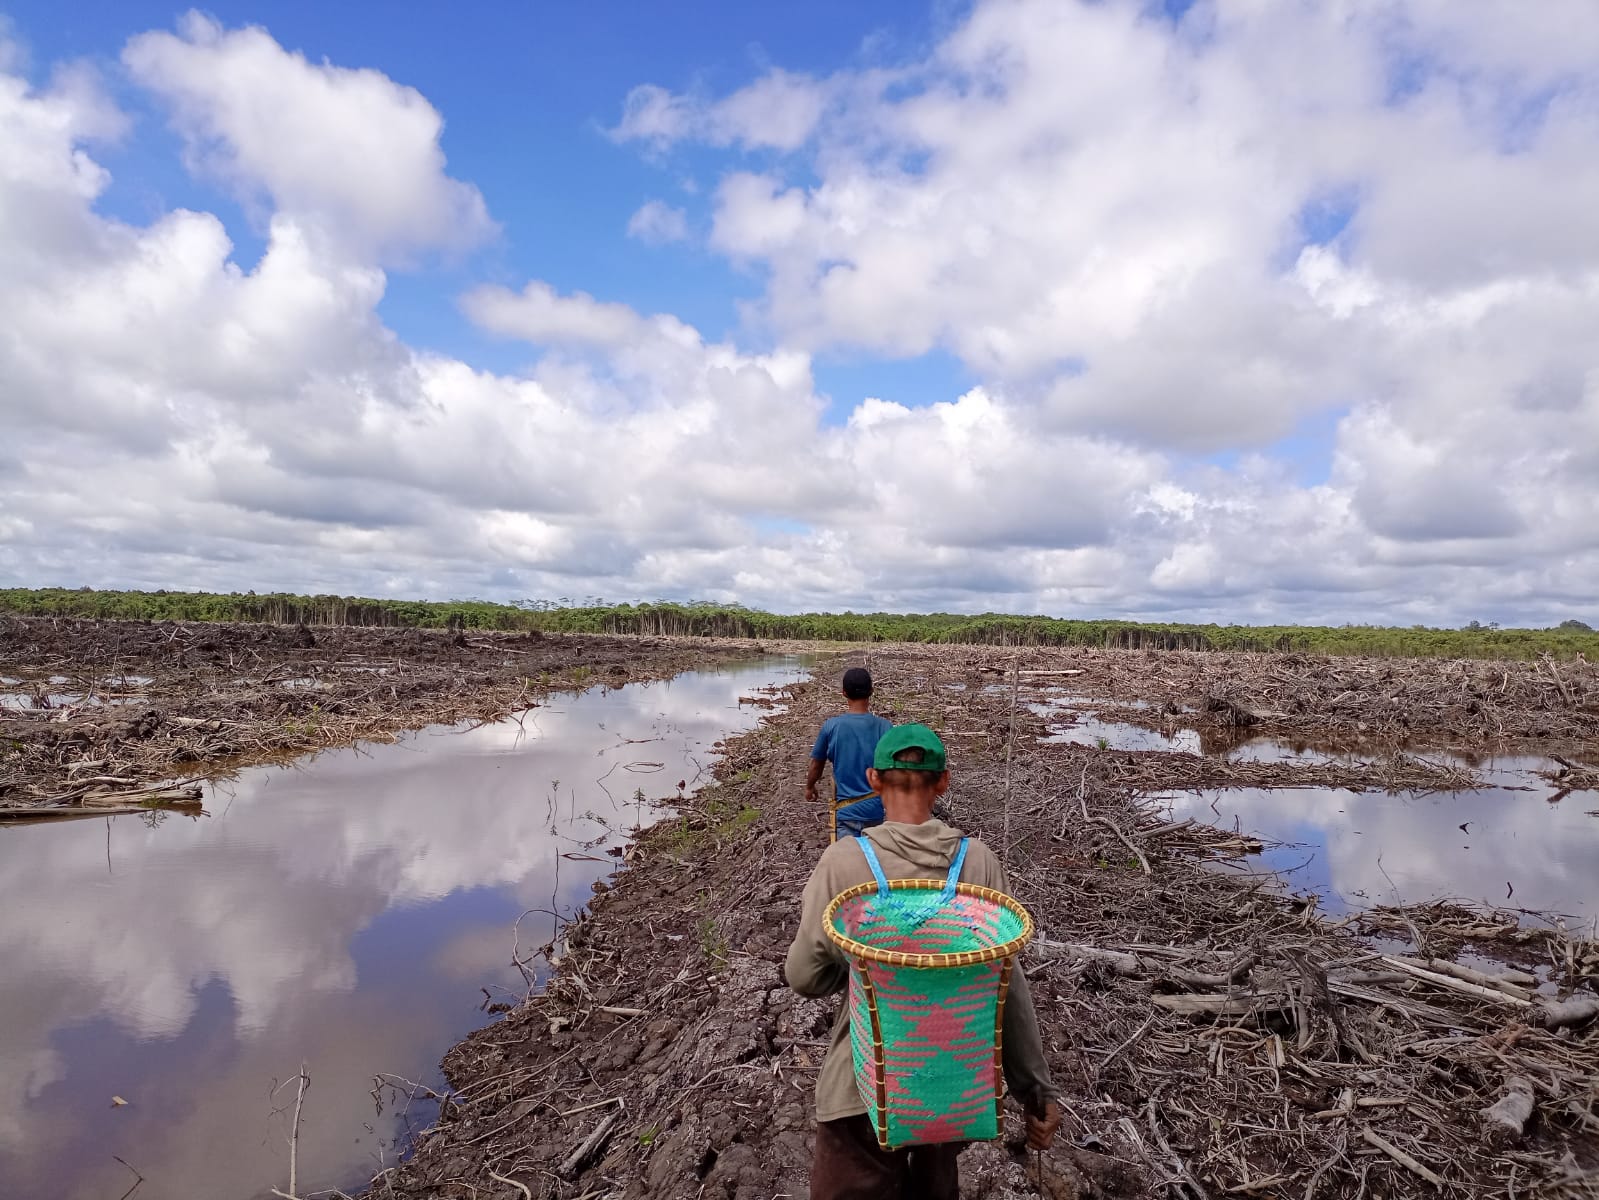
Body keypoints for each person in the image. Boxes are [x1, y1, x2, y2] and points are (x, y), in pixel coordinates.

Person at [786, 724, 1062, 1199]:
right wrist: (1035, 1090)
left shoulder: (844, 862)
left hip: (861, 1089)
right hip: (950, 1085)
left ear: (874, 779)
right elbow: (1007, 984)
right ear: (944, 782)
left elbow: (804, 977)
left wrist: (857, 964)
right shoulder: (979, 863)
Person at [805, 666, 892, 839]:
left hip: (846, 813)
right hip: (874, 812)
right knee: (873, 860)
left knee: (847, 862)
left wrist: (810, 787)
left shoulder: (832, 726)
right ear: (871, 691)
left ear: (844, 693)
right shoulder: (885, 727)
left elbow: (817, 764)